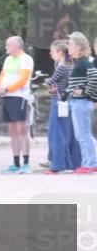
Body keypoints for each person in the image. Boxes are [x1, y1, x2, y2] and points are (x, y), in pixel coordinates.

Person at [0, 36, 34, 174]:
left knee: (21, 129)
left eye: (8, 45)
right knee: (12, 130)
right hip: (7, 97)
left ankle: (26, 162)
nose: (6, 47)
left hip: (19, 96)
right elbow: (2, 74)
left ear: (16, 46)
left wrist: (7, 88)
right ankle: (16, 162)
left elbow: (23, 79)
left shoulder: (26, 59)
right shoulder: (8, 59)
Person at [67, 32, 97, 174]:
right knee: (81, 135)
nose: (68, 47)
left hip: (82, 103)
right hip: (77, 102)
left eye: (71, 44)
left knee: (84, 134)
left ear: (79, 47)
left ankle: (91, 163)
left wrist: (86, 93)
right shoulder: (78, 62)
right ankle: (88, 163)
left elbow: (95, 78)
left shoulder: (84, 62)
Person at [44, 40, 74, 174]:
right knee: (64, 132)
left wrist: (47, 82)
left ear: (60, 52)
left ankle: (59, 164)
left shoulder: (62, 67)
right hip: (65, 99)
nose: (51, 54)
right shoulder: (69, 65)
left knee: (56, 133)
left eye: (52, 51)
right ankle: (67, 163)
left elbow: (50, 81)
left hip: (58, 100)